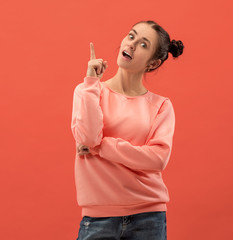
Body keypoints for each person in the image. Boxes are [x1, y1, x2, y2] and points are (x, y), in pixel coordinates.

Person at [71, 20, 184, 240]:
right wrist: (92, 82)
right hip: (98, 218)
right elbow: (87, 137)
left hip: (149, 217)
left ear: (152, 64)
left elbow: (157, 159)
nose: (132, 44)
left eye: (143, 45)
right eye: (131, 36)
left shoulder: (161, 105)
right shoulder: (88, 90)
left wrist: (101, 146)